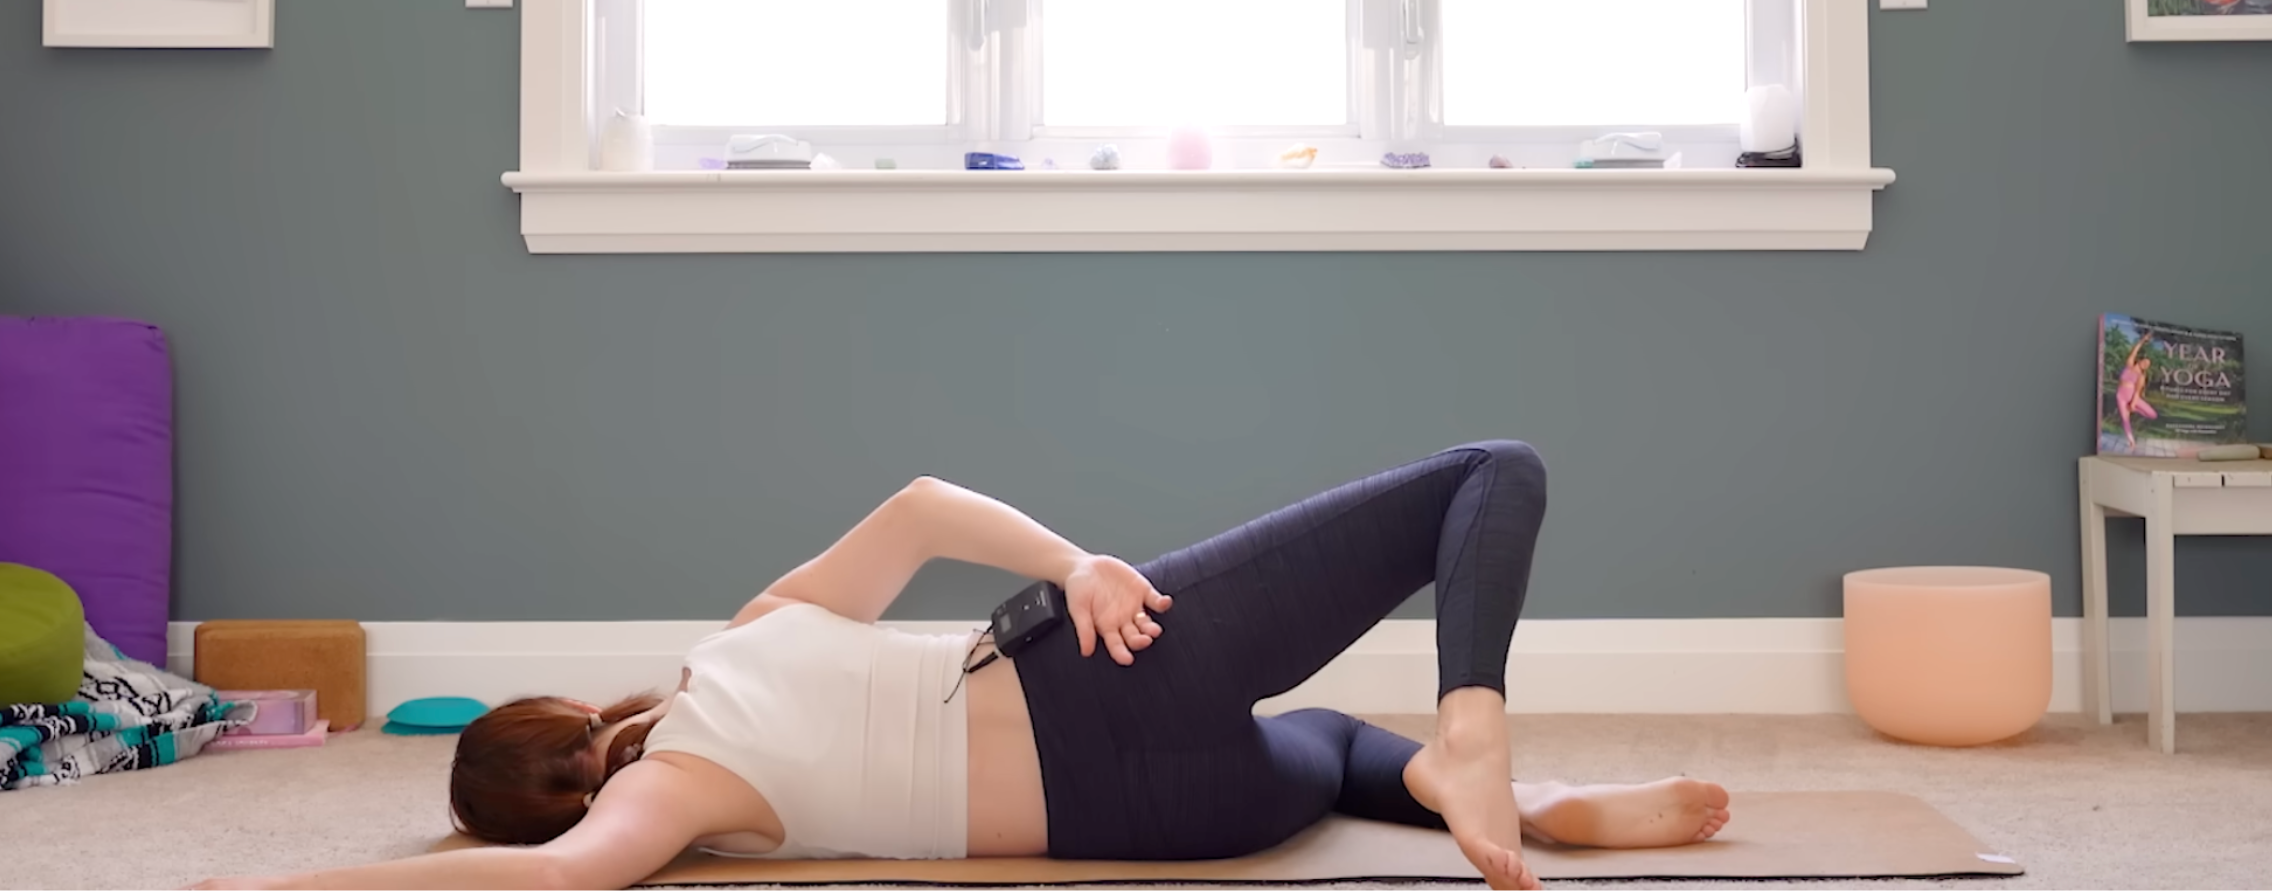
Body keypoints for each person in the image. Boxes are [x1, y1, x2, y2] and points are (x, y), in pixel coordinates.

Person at [196, 442, 1729, 891]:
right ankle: (1483, 742)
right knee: (1492, 471)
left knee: (1323, 746)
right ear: (563, 712)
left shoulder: (675, 809)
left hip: (1163, 819)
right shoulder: (736, 642)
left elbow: (551, 888)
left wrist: (272, 888)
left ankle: (1521, 795)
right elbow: (929, 505)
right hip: (1108, 665)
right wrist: (1071, 567)